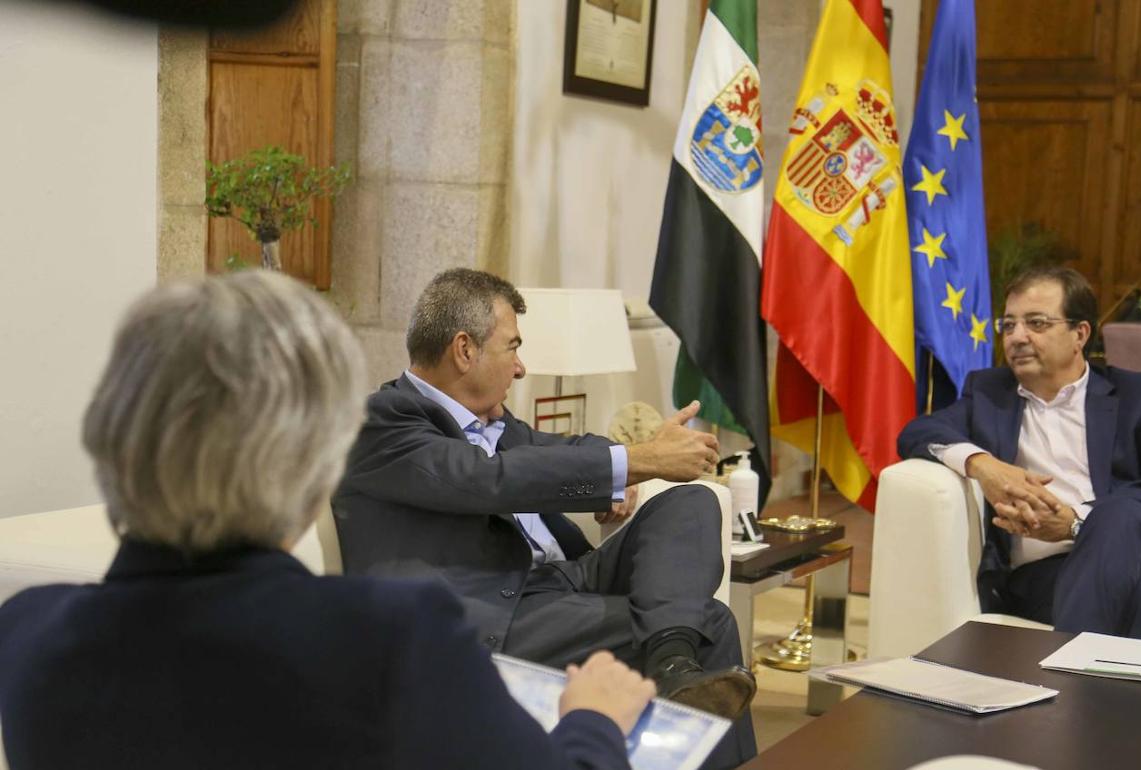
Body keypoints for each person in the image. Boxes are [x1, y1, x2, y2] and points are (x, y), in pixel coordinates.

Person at [0, 271, 655, 770]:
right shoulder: (391, 637)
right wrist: (593, 720)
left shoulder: (25, 637)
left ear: (113, 439)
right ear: (310, 463)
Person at [333, 268, 757, 768]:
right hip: (490, 612)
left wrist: (624, 471)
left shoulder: (496, 421)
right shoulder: (384, 421)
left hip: (560, 582)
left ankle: (671, 659)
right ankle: (674, 660)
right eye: (511, 347)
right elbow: (485, 480)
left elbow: (559, 451)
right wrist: (640, 459)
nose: (520, 368)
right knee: (709, 622)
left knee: (693, 502)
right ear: (465, 350)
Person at [899, 266, 1141, 641]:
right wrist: (983, 466)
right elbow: (917, 433)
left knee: (1120, 514)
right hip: (1048, 574)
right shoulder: (988, 393)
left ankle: (1059, 686)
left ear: (1079, 333)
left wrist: (1077, 522)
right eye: (1009, 325)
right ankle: (1097, 697)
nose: (1017, 337)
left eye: (1036, 323)